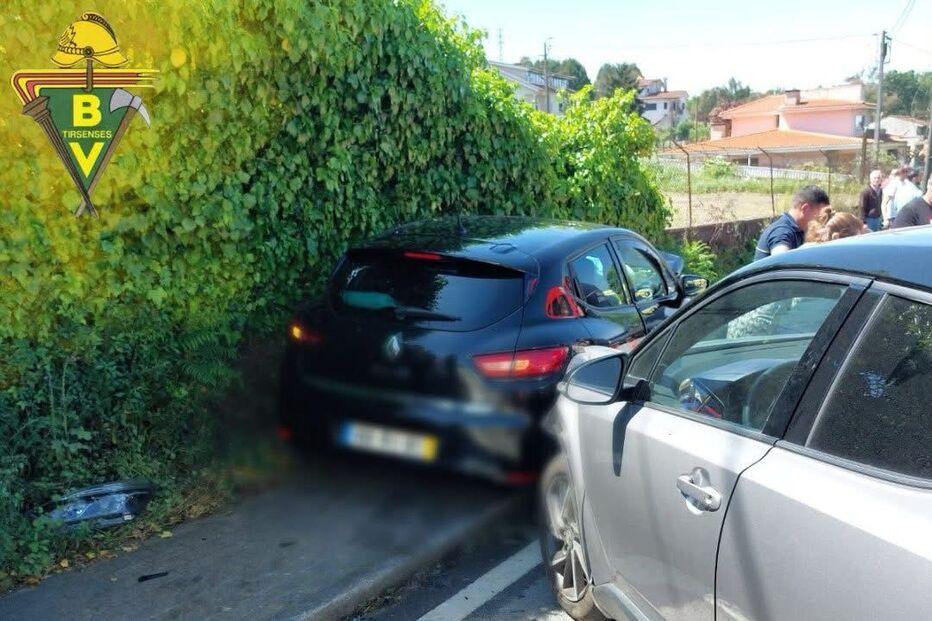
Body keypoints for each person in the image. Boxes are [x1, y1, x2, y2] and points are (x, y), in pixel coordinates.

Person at [754, 185, 830, 260]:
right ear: (805, 209)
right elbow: (781, 262)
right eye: (819, 215)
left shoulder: (799, 229)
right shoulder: (782, 231)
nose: (822, 220)